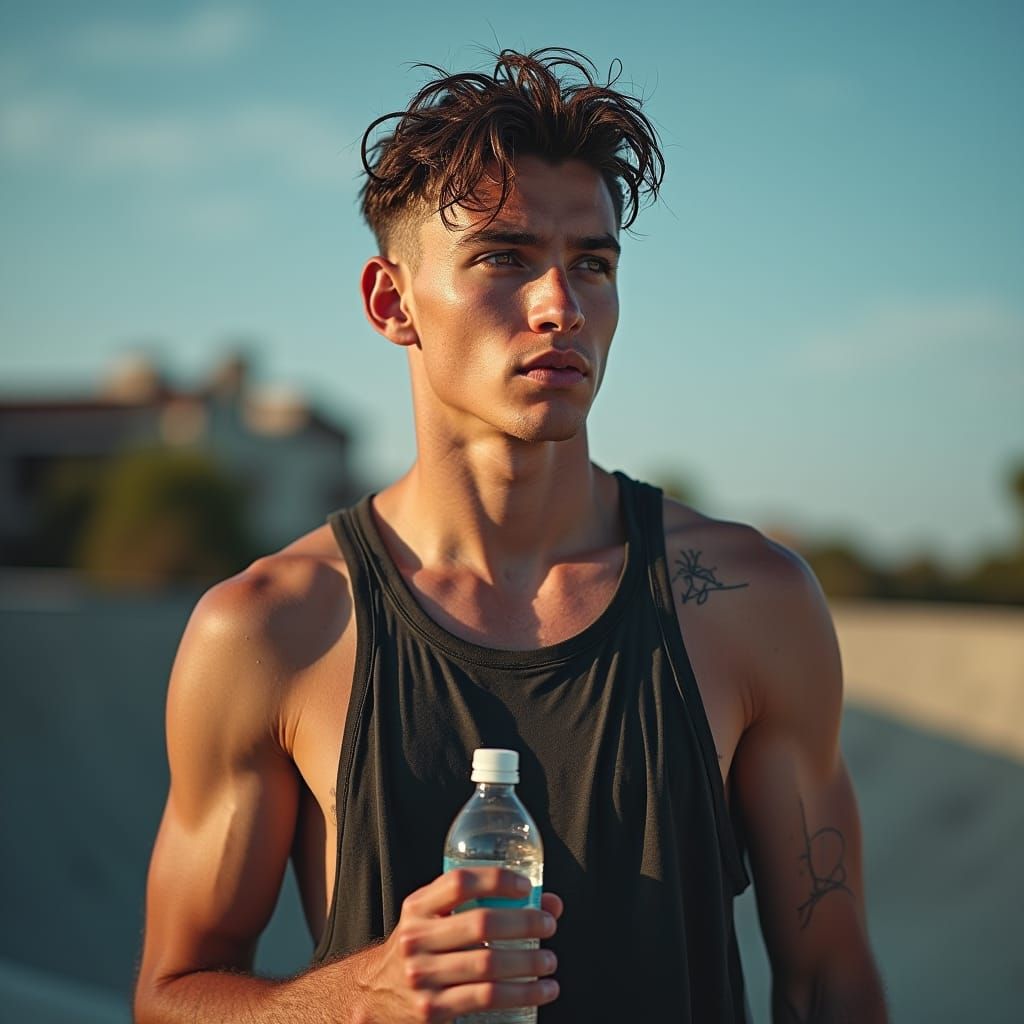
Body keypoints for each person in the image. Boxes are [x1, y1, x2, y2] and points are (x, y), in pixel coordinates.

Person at [134, 48, 887, 1023]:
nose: (561, 306)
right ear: (391, 302)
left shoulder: (752, 602)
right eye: (504, 257)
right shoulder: (270, 630)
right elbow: (169, 996)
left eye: (592, 265)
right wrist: (355, 997)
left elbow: (829, 978)